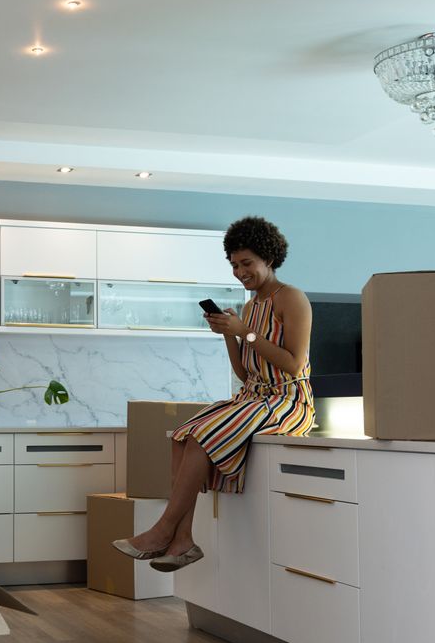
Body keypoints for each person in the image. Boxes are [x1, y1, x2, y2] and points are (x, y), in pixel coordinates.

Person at [113, 216, 314, 572]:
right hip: (253, 398)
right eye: (234, 265)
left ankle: (163, 530)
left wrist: (244, 332)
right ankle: (183, 540)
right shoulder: (251, 307)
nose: (239, 272)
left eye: (247, 263)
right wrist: (228, 333)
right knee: (180, 435)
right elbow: (243, 372)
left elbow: (294, 365)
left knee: (203, 435)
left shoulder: (292, 299)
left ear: (268, 258)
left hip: (287, 402)